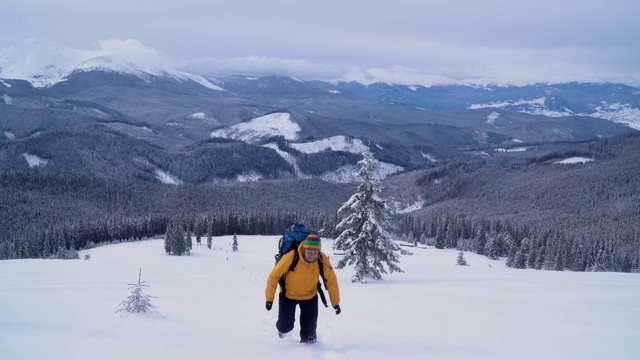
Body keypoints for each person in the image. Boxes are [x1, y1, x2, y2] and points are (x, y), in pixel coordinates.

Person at [265, 233, 341, 343]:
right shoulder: (292, 256)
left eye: (315, 253)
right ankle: (282, 330)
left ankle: (308, 352)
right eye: (309, 252)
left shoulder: (321, 259)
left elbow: (331, 280)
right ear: (303, 249)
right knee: (284, 326)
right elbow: (273, 276)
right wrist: (269, 299)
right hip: (288, 295)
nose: (312, 255)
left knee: (309, 336)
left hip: (310, 297)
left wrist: (336, 303)